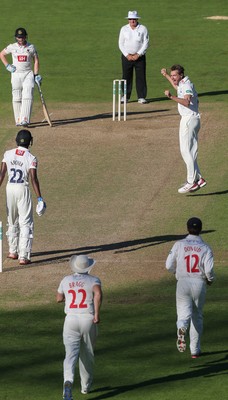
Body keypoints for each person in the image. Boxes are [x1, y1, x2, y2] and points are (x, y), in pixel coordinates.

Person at [165, 217, 215, 358]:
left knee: (183, 314)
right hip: (199, 283)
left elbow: (168, 265)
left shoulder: (178, 244)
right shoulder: (205, 247)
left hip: (182, 282)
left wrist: (176, 272)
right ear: (200, 229)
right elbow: (209, 270)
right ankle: (195, 350)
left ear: (187, 228)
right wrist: (210, 280)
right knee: (197, 316)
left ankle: (182, 327)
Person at [57, 254, 103, 399]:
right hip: (87, 319)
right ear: (88, 267)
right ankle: (85, 387)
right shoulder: (93, 280)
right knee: (87, 354)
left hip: (70, 320)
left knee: (70, 355)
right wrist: (96, 314)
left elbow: (58, 298)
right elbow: (98, 294)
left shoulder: (66, 280)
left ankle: (68, 381)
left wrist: (66, 297)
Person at [0, 129, 46, 265]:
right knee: (25, 222)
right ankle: (23, 255)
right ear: (30, 142)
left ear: (16, 140)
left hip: (10, 189)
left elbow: (1, 175)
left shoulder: (7, 154)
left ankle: (13, 251)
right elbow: (33, 179)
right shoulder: (31, 158)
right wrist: (40, 198)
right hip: (22, 189)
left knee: (12, 220)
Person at [161, 65, 207, 194]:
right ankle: (199, 179)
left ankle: (191, 182)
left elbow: (187, 102)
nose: (173, 77)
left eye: (175, 75)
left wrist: (171, 97)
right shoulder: (182, 83)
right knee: (187, 151)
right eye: (172, 75)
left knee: (187, 151)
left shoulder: (187, 86)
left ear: (181, 75)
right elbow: (176, 87)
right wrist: (166, 76)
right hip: (190, 119)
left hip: (189, 119)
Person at [0, 27, 42, 126]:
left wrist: (36, 74)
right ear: (16, 38)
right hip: (16, 74)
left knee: (28, 94)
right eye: (19, 37)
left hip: (28, 74)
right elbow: (1, 54)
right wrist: (7, 66)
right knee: (16, 96)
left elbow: (36, 60)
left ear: (25, 37)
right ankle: (18, 119)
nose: (20, 39)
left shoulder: (31, 47)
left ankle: (25, 119)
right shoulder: (12, 47)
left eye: (22, 37)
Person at [118, 10, 149, 104]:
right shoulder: (124, 29)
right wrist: (127, 55)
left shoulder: (143, 28)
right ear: (128, 20)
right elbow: (120, 43)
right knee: (126, 76)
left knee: (141, 76)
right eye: (130, 19)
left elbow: (146, 43)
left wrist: (138, 54)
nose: (132, 21)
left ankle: (141, 97)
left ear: (137, 19)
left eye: (134, 19)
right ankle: (125, 96)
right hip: (127, 57)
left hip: (139, 57)